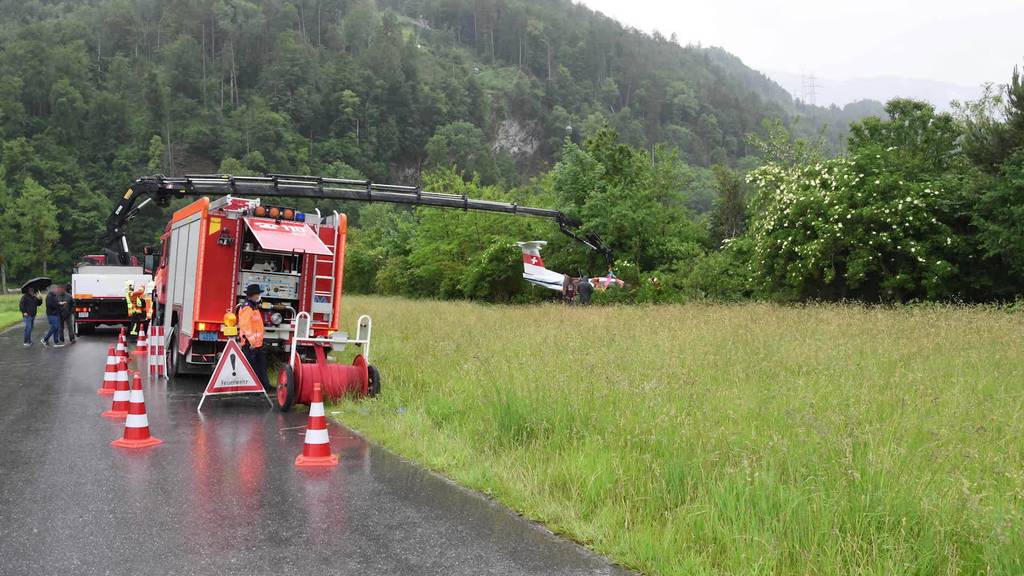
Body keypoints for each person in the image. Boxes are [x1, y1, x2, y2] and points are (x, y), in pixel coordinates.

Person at [238, 283, 269, 390]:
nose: (258, 296)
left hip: (256, 344)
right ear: (253, 295)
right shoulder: (248, 307)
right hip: (250, 344)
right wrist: (251, 342)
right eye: (257, 294)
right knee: (253, 367)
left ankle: (264, 387)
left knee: (261, 365)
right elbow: (245, 326)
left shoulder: (253, 306)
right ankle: (254, 388)